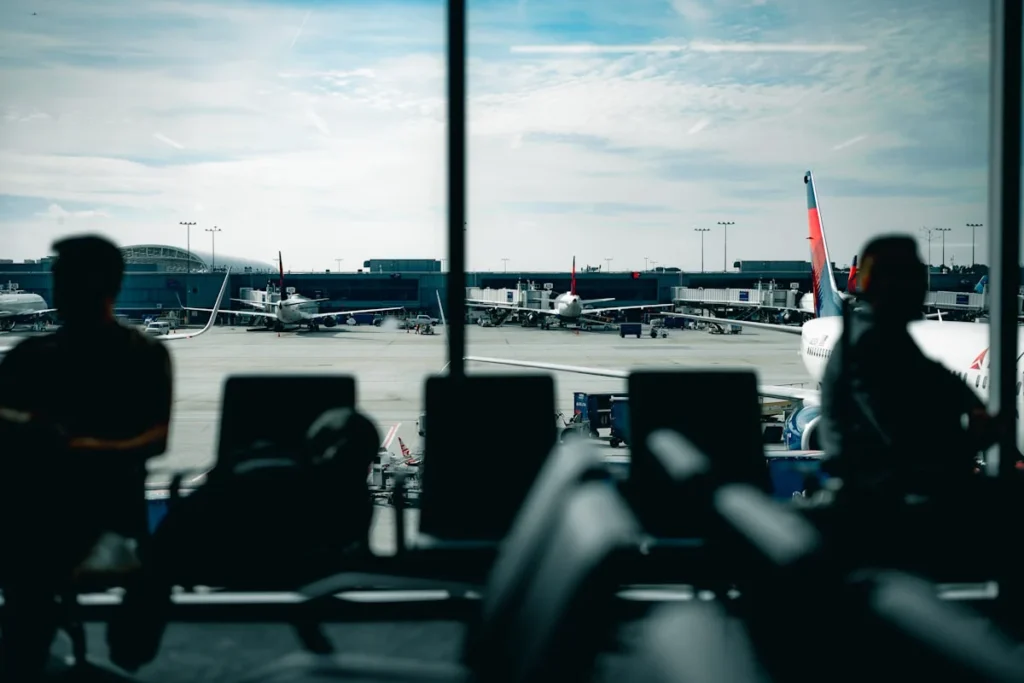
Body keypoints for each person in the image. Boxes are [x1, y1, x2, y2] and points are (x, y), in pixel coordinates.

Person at [0, 234, 173, 679]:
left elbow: (157, 438)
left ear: (99, 284)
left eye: (64, 279)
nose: (57, 290)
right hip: (41, 511)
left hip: (104, 511)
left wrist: (82, 448)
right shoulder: (29, 358)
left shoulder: (144, 355)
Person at [818, 235, 998, 499]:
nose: (919, 289)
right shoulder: (870, 343)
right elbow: (903, 442)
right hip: (879, 504)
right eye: (910, 279)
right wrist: (974, 440)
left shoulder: (889, 336)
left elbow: (936, 376)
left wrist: (969, 402)